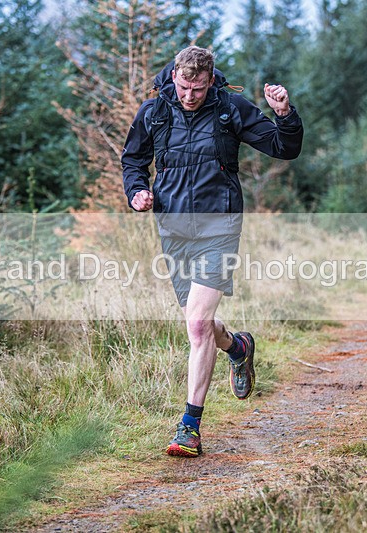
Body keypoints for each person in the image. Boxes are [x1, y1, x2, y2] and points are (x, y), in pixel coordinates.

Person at [121, 46, 303, 457]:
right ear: (174, 78)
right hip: (173, 228)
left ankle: (189, 427)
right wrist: (137, 192)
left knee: (198, 325)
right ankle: (238, 347)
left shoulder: (229, 108)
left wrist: (285, 115)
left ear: (209, 81)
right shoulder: (154, 113)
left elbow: (283, 147)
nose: (190, 95)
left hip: (219, 225)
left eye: (198, 88)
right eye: (184, 87)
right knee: (199, 324)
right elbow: (132, 160)